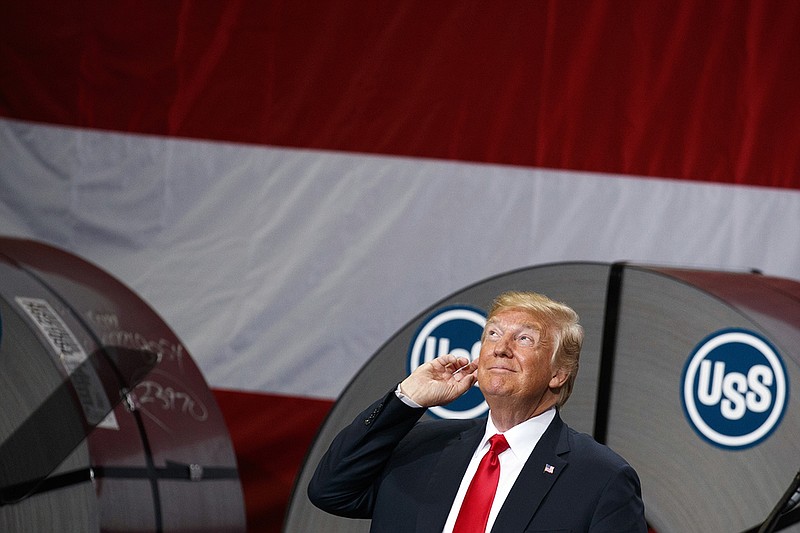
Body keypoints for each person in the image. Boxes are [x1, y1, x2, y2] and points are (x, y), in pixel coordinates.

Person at [308, 291, 647, 532]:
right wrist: (407, 399)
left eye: (524, 339)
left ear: (559, 373)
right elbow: (330, 490)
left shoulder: (601, 479)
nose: (501, 348)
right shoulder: (420, 447)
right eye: (492, 334)